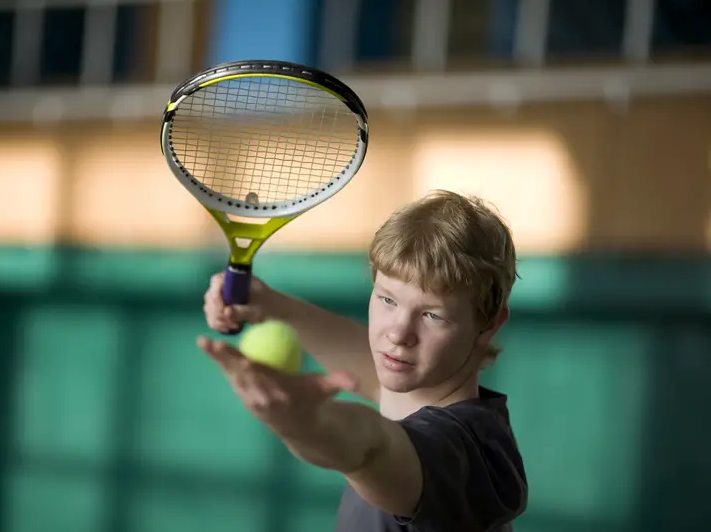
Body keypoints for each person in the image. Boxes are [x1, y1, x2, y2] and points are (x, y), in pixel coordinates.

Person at [198, 190, 528, 531]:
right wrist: (269, 304)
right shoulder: (419, 386)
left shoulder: (462, 456)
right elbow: (368, 363)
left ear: (489, 324)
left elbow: (371, 446)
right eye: (387, 299)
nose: (398, 333)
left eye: (431, 315)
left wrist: (304, 423)